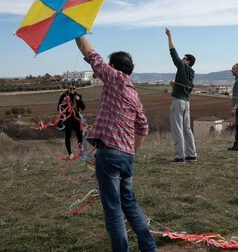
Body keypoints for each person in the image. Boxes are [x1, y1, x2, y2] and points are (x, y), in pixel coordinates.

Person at [75, 36, 156, 252]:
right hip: (127, 157)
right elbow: (143, 128)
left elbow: (90, 54)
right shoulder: (134, 94)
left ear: (113, 67)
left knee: (113, 208)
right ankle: (149, 247)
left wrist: (75, 29)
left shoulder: (114, 79)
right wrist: (131, 152)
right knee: (128, 203)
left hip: (110, 155)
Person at [164, 27, 198, 163]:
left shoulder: (183, 67)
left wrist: (169, 36)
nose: (182, 59)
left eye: (184, 58)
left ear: (188, 61)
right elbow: (187, 88)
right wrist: (175, 85)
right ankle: (192, 154)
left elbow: (173, 53)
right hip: (186, 103)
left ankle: (180, 157)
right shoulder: (192, 73)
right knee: (187, 128)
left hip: (178, 102)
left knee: (177, 128)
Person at [57, 81, 86, 159]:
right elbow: (58, 108)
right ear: (68, 88)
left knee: (80, 136)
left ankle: (81, 152)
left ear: (75, 88)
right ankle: (70, 153)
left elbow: (83, 107)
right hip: (68, 120)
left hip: (77, 120)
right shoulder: (63, 95)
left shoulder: (78, 96)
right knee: (67, 137)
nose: (72, 90)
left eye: (73, 88)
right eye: (70, 88)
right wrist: (63, 102)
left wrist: (79, 100)